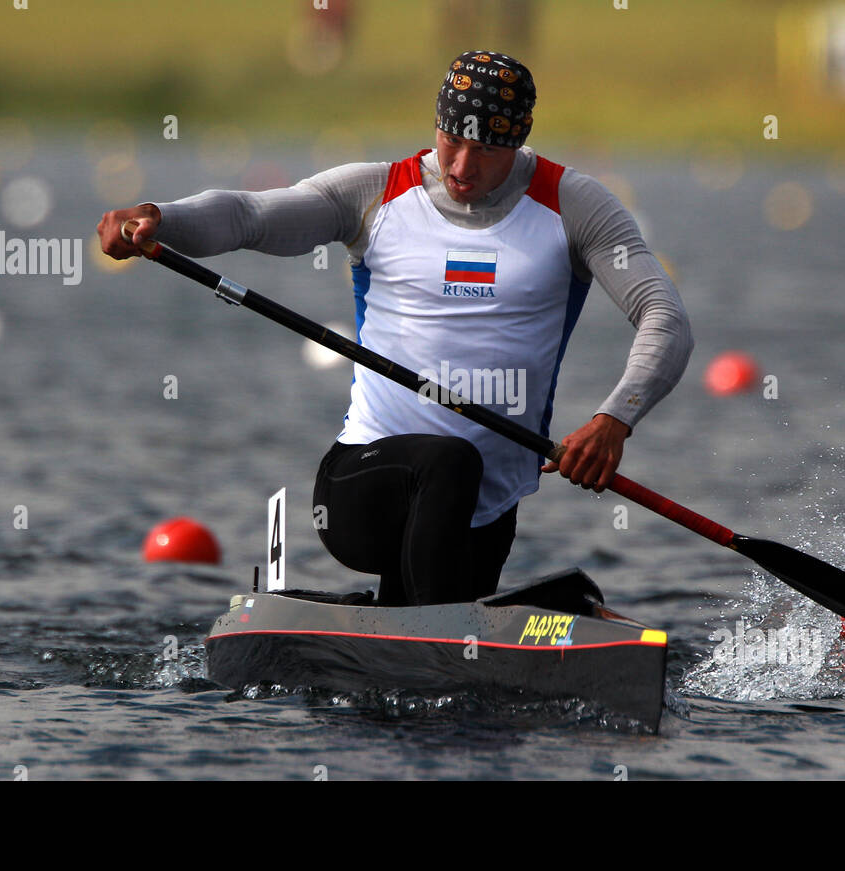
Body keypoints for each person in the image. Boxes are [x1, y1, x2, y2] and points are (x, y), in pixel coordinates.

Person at [98, 50, 692, 606]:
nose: (461, 165)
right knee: (450, 462)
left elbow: (665, 318)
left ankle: (385, 626)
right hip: (362, 489)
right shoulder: (375, 193)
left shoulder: (576, 207)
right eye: (451, 140)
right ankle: (424, 634)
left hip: (486, 511)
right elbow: (250, 215)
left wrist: (614, 419)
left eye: (484, 149)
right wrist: (161, 219)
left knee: (450, 692)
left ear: (520, 136)